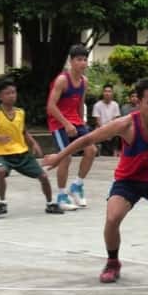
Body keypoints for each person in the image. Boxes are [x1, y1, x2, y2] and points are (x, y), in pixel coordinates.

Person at [44, 78, 148, 282]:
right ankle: (113, 262)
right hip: (128, 181)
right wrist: (59, 157)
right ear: (138, 103)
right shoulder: (126, 124)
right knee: (112, 218)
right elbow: (88, 139)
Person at [0, 79, 62, 216]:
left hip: (21, 152)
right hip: (1, 153)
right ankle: (2, 203)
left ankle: (50, 204)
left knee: (43, 176)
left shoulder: (20, 112)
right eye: (7, 93)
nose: (11, 95)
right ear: (0, 96)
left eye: (13, 92)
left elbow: (23, 131)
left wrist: (33, 143)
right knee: (1, 171)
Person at [46, 45, 97, 210]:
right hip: (58, 123)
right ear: (71, 61)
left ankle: (77, 186)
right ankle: (61, 196)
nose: (83, 63)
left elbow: (80, 105)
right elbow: (51, 106)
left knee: (92, 150)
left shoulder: (84, 81)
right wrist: (66, 124)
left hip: (76, 121)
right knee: (65, 157)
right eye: (79, 60)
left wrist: (82, 124)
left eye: (85, 60)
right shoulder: (62, 80)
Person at [91, 84, 122, 156]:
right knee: (96, 131)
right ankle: (99, 151)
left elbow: (115, 119)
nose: (107, 93)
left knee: (118, 132)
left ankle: (115, 152)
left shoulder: (115, 105)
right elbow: (97, 121)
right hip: (101, 128)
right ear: (103, 93)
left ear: (112, 93)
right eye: (105, 91)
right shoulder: (97, 105)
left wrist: (110, 131)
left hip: (112, 128)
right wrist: (105, 131)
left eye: (109, 91)